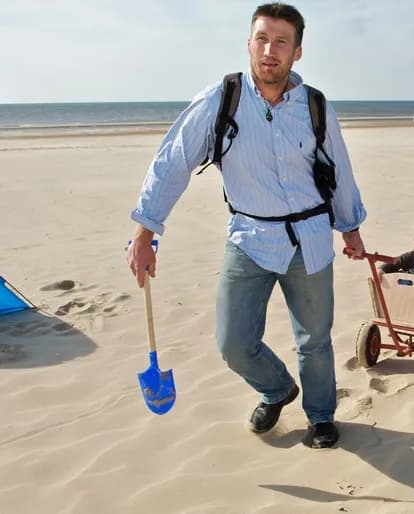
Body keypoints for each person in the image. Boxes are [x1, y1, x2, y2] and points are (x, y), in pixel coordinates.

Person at [126, 3, 366, 449]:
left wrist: (350, 227)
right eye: (262, 38)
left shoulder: (315, 105)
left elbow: (340, 170)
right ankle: (277, 389)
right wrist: (145, 230)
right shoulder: (222, 100)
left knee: (314, 340)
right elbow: (172, 162)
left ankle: (320, 416)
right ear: (248, 43)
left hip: (310, 240)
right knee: (233, 343)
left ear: (297, 52)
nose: (270, 50)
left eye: (281, 42)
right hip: (250, 239)